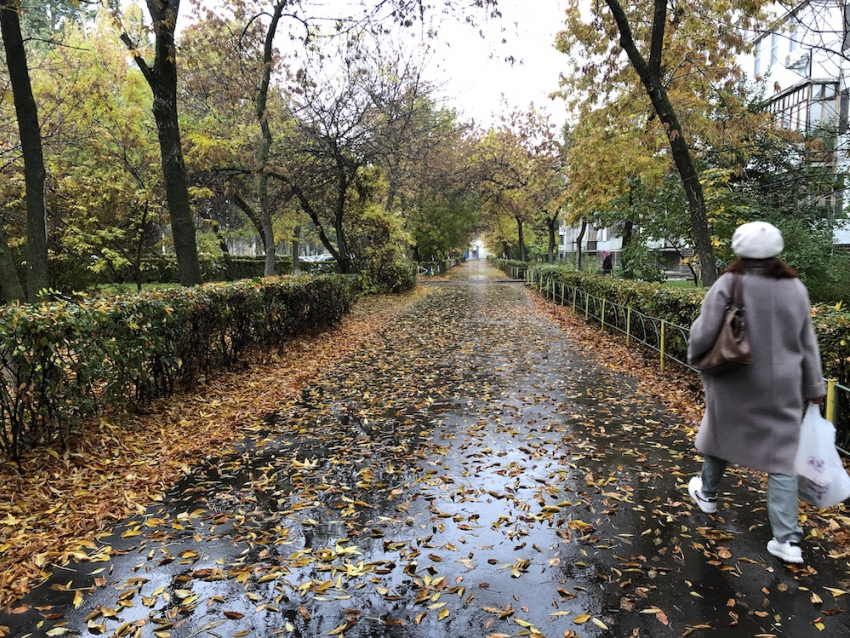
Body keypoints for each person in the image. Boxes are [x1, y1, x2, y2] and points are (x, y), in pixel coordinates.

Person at [686, 221, 826, 565]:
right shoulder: (795, 288)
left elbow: (704, 332)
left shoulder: (729, 283)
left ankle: (708, 495)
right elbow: (807, 342)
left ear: (740, 250)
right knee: (781, 459)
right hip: (782, 387)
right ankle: (788, 540)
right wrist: (815, 387)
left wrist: (695, 357)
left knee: (720, 435)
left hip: (733, 378)